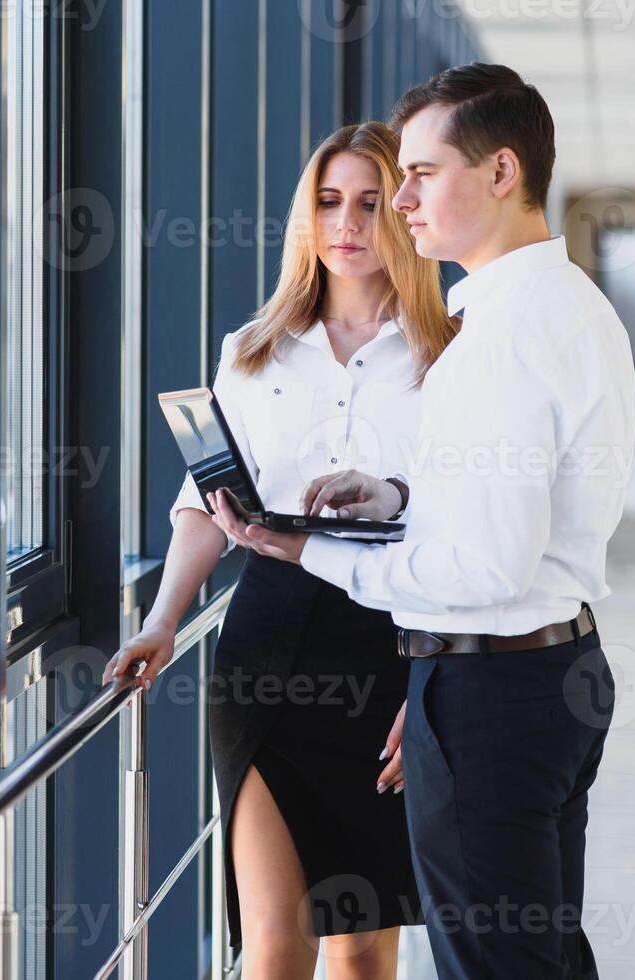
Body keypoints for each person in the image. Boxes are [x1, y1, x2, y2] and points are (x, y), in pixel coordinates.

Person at [210, 64, 635, 980]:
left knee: (496, 962)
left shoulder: (498, 339)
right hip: (556, 669)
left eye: (422, 174)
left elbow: (485, 569)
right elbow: (532, 499)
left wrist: (317, 552)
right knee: (543, 953)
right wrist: (398, 500)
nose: (400, 201)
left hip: (492, 689)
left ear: (501, 173)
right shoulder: (570, 307)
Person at [102, 121, 457, 979]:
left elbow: (465, 522)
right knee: (271, 937)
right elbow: (204, 503)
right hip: (267, 641)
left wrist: (442, 679)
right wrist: (160, 623)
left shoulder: (447, 354)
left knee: (366, 944)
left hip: (392, 635)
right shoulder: (253, 350)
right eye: (329, 203)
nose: (349, 223)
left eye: (372, 204)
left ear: (406, 216)